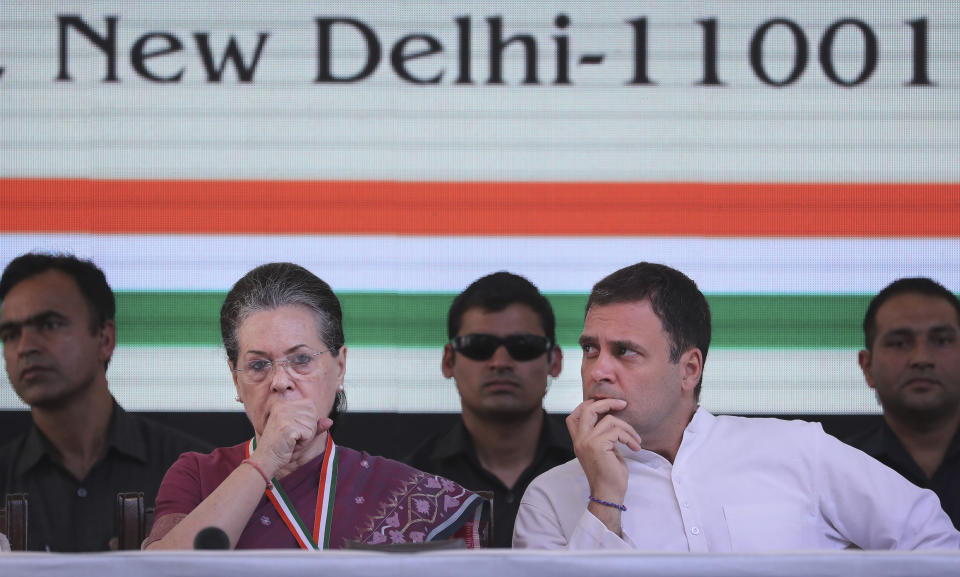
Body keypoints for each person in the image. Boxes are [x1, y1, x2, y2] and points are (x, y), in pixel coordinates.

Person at [513, 262, 960, 551]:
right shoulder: (550, 499)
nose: (597, 371)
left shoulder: (796, 449)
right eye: (591, 349)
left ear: (689, 369)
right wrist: (604, 499)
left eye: (624, 351)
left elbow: (933, 541)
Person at [145, 263, 484, 550]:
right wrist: (265, 461)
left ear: (340, 367)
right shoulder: (199, 475)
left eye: (301, 359)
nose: (280, 381)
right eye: (259, 365)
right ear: (236, 381)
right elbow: (159, 572)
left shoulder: (404, 493)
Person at [0, 253, 210, 551]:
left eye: (49, 325)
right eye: (9, 334)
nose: (25, 347)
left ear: (105, 338)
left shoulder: (197, 473)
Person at [405, 272, 574, 547]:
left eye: (523, 346)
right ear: (449, 361)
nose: (500, 362)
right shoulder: (412, 481)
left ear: (554, 360)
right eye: (479, 346)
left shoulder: (593, 472)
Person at [847, 277, 960, 529]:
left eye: (941, 340)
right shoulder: (837, 471)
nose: (922, 358)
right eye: (900, 343)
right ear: (867, 367)